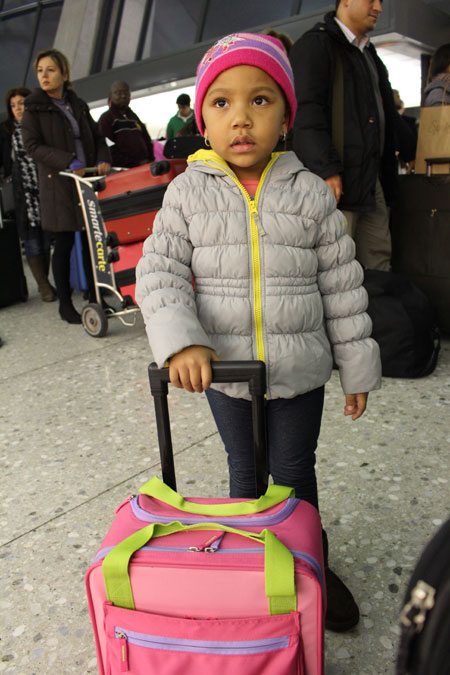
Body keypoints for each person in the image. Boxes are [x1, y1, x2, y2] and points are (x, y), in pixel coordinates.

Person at [136, 32, 382, 633]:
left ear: (287, 116)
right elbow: (159, 270)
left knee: (295, 474)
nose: (241, 118)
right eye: (222, 102)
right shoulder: (187, 192)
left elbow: (342, 286)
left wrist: (357, 367)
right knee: (244, 476)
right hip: (227, 374)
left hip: (299, 373)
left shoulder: (310, 194)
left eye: (260, 100)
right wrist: (181, 340)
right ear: (202, 119)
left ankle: (307, 567)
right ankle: (250, 565)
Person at [290, 0, 404, 272]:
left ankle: (378, 304)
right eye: (371, 0)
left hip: (371, 181)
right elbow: (305, 112)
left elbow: (386, 117)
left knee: (378, 264)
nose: (378, 7)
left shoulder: (368, 53)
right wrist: (326, 168)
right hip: (335, 182)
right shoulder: (316, 45)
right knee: (336, 267)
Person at [22, 49, 111, 324]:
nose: (44, 76)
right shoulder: (34, 108)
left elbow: (97, 137)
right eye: (40, 71)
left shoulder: (77, 104)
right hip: (59, 185)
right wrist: (67, 161)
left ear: (64, 73)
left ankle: (95, 297)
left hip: (85, 183)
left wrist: (103, 159)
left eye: (50, 70)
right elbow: (32, 146)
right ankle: (65, 304)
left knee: (90, 241)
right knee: (63, 243)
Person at [1, 87, 55, 302]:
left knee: (46, 238)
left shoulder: (39, 127)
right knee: (31, 240)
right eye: (13, 106)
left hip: (44, 187)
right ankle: (43, 285)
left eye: (21, 104)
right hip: (22, 194)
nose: (17, 109)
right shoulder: (6, 131)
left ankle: (46, 281)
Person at [98, 81, 154, 167]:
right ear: (111, 95)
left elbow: (147, 140)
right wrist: (133, 163)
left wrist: (150, 159)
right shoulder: (106, 119)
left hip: (145, 166)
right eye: (119, 93)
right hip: (124, 170)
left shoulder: (134, 117)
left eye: (126, 93)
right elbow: (108, 148)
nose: (123, 96)